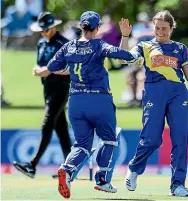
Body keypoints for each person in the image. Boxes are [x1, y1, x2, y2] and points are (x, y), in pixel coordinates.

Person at [32, 11, 143, 198]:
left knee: (82, 144)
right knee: (109, 139)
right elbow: (126, 57)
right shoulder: (100, 45)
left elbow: (49, 69)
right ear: (98, 27)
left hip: (76, 101)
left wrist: (38, 72)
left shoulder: (68, 47)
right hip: (99, 100)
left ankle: (66, 170)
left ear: (81, 27)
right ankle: (103, 179)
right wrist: (129, 41)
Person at [120, 11, 188, 197]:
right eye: (157, 28)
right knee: (152, 139)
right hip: (154, 92)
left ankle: (178, 184)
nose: (160, 32)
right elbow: (124, 58)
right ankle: (134, 167)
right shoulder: (144, 46)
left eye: (164, 28)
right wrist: (124, 36)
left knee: (180, 138)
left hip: (178, 93)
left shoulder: (180, 48)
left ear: (171, 28)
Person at [13, 12, 71, 179]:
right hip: (47, 89)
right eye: (42, 30)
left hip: (60, 89)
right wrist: (38, 69)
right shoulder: (41, 43)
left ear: (53, 27)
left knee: (47, 124)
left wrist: (48, 71)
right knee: (61, 129)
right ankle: (69, 169)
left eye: (46, 30)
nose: (43, 33)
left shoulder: (63, 44)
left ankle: (32, 164)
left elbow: (69, 69)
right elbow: (40, 63)